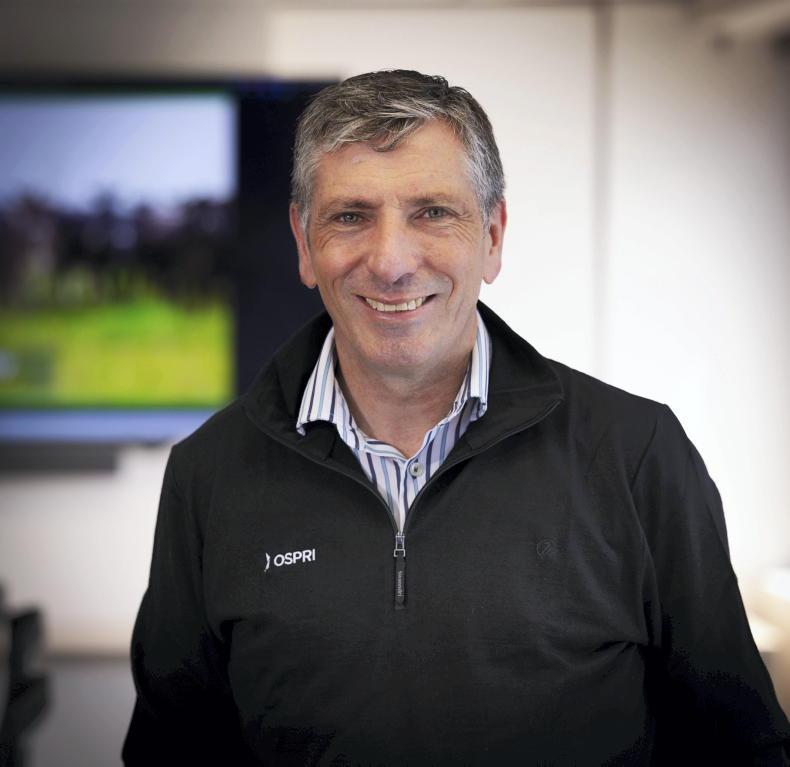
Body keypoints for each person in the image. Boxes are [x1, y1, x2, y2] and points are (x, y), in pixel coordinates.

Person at [122, 70, 790, 765]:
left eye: (432, 212)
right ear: (303, 241)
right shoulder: (210, 474)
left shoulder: (637, 455)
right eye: (350, 216)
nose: (391, 261)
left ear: (493, 236)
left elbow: (740, 751)